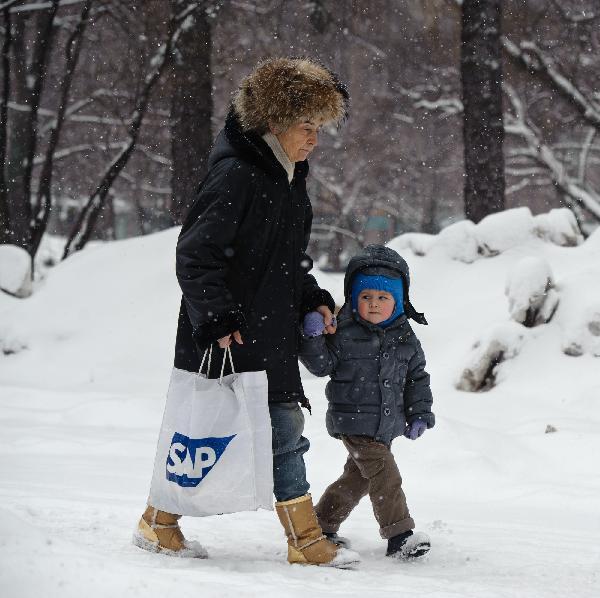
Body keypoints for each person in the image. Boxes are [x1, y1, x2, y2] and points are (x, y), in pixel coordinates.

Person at [134, 57, 359, 568]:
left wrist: (313, 297)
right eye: (308, 128)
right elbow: (195, 255)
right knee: (252, 431)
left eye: (320, 129)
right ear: (275, 123)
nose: (315, 141)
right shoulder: (237, 175)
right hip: (230, 334)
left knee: (244, 431)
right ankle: (303, 541)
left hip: (266, 331)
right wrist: (215, 319)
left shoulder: (288, 177)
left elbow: (283, 262)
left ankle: (159, 520)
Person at [298, 244, 435, 560]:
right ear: (354, 299)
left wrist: (419, 413)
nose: (374, 304)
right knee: (386, 474)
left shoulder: (405, 336)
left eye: (383, 298)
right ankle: (399, 535)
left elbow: (417, 377)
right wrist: (312, 337)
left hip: (386, 425)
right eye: (366, 297)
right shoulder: (343, 330)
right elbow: (321, 366)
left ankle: (321, 525)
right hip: (354, 421)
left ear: (398, 301)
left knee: (355, 479)